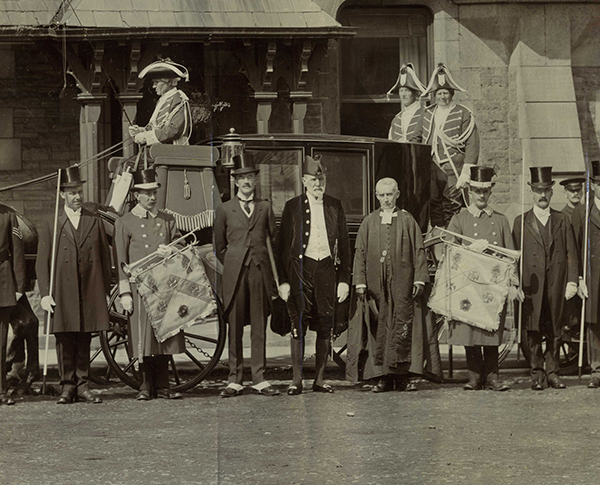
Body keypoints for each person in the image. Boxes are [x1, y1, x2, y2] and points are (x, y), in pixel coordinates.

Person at [276, 155, 352, 395]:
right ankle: (296, 380)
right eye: (313, 179)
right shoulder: (292, 206)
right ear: (304, 181)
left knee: (325, 324)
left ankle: (319, 380)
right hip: (301, 270)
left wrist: (343, 280)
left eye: (321, 179)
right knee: (298, 324)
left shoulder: (335, 206)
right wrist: (284, 280)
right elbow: (282, 247)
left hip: (327, 270)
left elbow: (345, 247)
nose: (318, 184)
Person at [36, 167, 111, 404]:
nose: (77, 197)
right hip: (62, 290)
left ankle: (83, 385)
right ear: (62, 195)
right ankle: (67, 386)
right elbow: (42, 262)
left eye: (79, 192)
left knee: (85, 337)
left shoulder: (94, 221)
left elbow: (104, 258)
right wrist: (45, 294)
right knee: (65, 337)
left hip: (88, 288)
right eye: (71, 193)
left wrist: (106, 291)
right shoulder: (51, 223)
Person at [446, 166, 522, 391]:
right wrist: (469, 248)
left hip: (493, 287)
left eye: (485, 191)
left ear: (490, 192)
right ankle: (474, 377)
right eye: (477, 191)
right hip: (469, 286)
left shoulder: (500, 220)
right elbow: (448, 252)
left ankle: (492, 377)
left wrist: (513, 283)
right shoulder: (459, 219)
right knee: (471, 331)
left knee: (491, 331)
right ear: (469, 191)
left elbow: (511, 255)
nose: (481, 195)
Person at [115, 168, 186, 401]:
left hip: (164, 285)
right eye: (146, 193)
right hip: (140, 287)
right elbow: (121, 260)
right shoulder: (125, 223)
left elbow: (182, 247)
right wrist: (124, 292)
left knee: (164, 336)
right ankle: (145, 386)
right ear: (136, 195)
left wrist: (172, 250)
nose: (152, 197)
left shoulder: (167, 219)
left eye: (154, 192)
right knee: (143, 337)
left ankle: (164, 386)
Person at [352, 178, 428, 392]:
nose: (386, 199)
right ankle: (382, 376)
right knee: (380, 327)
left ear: (397, 194)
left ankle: (401, 376)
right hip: (377, 288)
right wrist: (360, 281)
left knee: (401, 326)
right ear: (376, 196)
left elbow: (419, 251)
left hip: (402, 286)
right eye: (382, 195)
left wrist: (419, 278)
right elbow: (360, 254)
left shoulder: (407, 220)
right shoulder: (369, 222)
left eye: (389, 194)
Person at [214, 154, 279, 398]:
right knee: (235, 327)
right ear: (235, 181)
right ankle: (235, 379)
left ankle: (259, 378)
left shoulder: (265, 207)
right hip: (235, 274)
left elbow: (272, 239)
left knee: (259, 326)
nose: (245, 182)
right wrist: (234, 263)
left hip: (259, 273)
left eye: (249, 177)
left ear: (255, 180)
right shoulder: (224, 209)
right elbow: (219, 246)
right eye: (241, 178)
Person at [513, 166, 579, 391]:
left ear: (551, 193)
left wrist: (572, 281)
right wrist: (515, 283)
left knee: (555, 330)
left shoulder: (562, 220)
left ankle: (553, 373)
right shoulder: (520, 222)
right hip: (532, 286)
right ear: (531, 192)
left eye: (546, 190)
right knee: (532, 331)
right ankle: (537, 373)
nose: (542, 195)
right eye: (538, 190)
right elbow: (515, 258)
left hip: (555, 284)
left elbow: (571, 253)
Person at [411, 63, 480, 228]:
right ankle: (438, 245)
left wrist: (466, 172)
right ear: (434, 95)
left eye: (446, 93)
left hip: (453, 168)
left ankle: (452, 242)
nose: (442, 97)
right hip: (431, 166)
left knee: (451, 205)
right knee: (434, 206)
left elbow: (472, 143)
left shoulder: (463, 113)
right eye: (439, 93)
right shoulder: (427, 113)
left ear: (452, 94)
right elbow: (415, 137)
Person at [572, 161, 600, 388]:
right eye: (598, 184)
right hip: (593, 275)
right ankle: (597, 370)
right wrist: (580, 278)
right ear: (592, 185)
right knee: (594, 324)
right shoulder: (583, 211)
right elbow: (576, 247)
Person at [129, 59, 192, 146]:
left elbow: (175, 130)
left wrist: (145, 137)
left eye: (157, 82)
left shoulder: (179, 98)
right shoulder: (162, 100)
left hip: (175, 149)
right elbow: (157, 127)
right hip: (160, 150)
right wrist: (141, 131)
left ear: (169, 82)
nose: (154, 86)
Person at [0, 202, 25, 406]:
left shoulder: (8, 215)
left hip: (2, 280)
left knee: (0, 342)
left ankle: (1, 390)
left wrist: (18, 285)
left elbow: (17, 251)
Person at [387, 63, 426, 142]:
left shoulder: (425, 114)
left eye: (407, 90)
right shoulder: (396, 119)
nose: (403, 95)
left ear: (416, 93)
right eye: (401, 91)